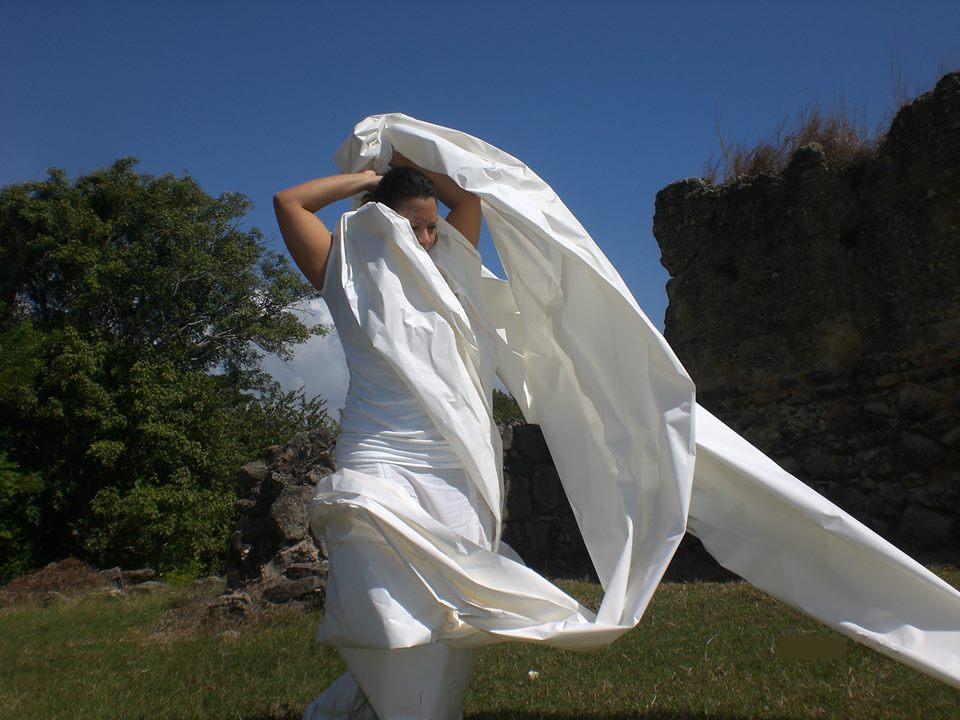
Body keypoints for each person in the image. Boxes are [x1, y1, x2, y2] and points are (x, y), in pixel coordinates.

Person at [274, 155, 487, 720]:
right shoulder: (344, 270)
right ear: (381, 223)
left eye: (431, 226)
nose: (426, 238)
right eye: (413, 226)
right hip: (377, 453)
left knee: (455, 607)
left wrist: (407, 161)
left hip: (450, 456)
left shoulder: (448, 269)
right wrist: (371, 181)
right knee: (387, 609)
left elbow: (468, 200)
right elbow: (289, 202)